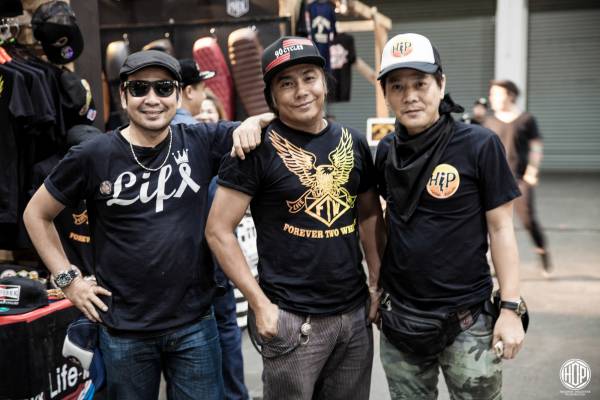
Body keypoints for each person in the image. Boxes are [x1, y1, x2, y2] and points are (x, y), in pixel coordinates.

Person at [23, 49, 273, 399]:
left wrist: (252, 122)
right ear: (124, 95)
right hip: (124, 331)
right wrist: (69, 282)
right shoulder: (93, 155)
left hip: (195, 326)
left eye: (164, 88)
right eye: (140, 88)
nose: (152, 99)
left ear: (178, 95)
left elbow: (272, 124)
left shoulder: (200, 141)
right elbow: (36, 214)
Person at [206, 36, 384, 400]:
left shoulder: (353, 142)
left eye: (309, 78)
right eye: (286, 83)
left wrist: (375, 284)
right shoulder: (256, 149)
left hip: (353, 316)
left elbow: (369, 214)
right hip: (291, 320)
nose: (301, 91)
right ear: (272, 96)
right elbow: (218, 231)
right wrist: (259, 304)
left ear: (324, 83)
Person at [374, 33, 525, 399]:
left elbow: (501, 229)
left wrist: (509, 308)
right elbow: (382, 221)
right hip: (402, 321)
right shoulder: (386, 150)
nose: (410, 96)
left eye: (420, 83)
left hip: (467, 321)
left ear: (441, 84)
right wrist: (376, 288)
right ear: (386, 94)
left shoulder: (478, 144)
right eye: (397, 86)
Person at [171, 59, 250, 400]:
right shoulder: (199, 137)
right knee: (223, 330)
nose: (205, 94)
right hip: (209, 259)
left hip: (169, 269)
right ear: (189, 91)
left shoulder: (153, 135)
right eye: (202, 87)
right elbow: (217, 203)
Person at [485, 79, 551, 274]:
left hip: (520, 179)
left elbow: (536, 146)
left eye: (496, 94)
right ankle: (493, 263)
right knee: (493, 223)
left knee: (529, 221)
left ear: (510, 96)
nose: (492, 97)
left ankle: (542, 251)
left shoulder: (526, 119)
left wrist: (532, 170)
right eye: (491, 94)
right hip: (495, 178)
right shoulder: (488, 122)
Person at [171, 58, 215, 125]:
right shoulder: (193, 128)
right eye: (202, 89)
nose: (204, 96)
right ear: (189, 91)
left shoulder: (162, 123)